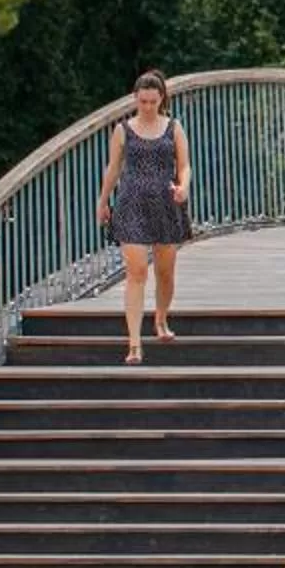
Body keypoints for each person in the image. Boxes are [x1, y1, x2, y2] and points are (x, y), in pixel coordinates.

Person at [96, 69, 192, 366]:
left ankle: (161, 318)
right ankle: (134, 344)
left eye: (153, 101)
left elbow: (185, 165)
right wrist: (103, 201)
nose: (148, 106)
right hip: (131, 203)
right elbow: (113, 169)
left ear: (161, 98)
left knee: (165, 271)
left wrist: (184, 187)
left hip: (165, 203)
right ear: (135, 99)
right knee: (136, 271)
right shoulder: (122, 130)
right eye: (143, 101)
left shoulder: (173, 127)